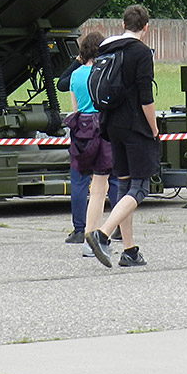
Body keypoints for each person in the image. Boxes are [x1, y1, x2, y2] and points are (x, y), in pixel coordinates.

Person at [87, 4, 158, 268]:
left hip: (111, 124)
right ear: (145, 27)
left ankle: (129, 251)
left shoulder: (107, 47)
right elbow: (145, 97)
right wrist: (153, 128)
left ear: (123, 24)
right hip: (134, 126)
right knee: (140, 188)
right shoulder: (141, 52)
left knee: (125, 186)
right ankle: (103, 234)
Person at [59, 31, 120, 247]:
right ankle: (117, 225)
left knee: (79, 180)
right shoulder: (106, 73)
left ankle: (79, 229)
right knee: (113, 178)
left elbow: (75, 107)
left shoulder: (75, 76)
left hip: (82, 128)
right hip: (103, 125)